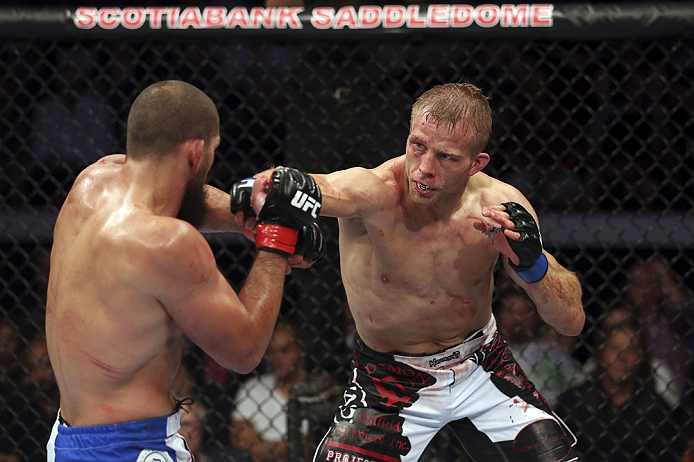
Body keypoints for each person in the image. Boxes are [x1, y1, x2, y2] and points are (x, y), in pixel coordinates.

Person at [250, 82, 585, 461]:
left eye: (447, 157)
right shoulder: (373, 193)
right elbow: (295, 186)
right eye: (418, 146)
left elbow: (570, 321)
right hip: (386, 382)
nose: (425, 169)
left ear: (477, 164)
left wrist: (533, 264)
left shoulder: (498, 207)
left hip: (484, 367)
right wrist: (279, 195)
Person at [44, 80, 323, 461]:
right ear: (196, 152)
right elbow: (244, 351)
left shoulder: (91, 183)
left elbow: (178, 197)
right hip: (131, 447)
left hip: (67, 441)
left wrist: (249, 215)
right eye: (212, 152)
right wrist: (276, 243)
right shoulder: (166, 243)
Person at [554, 320, 683, 461]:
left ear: (641, 357)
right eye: (615, 348)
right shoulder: (573, 402)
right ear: (602, 352)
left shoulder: (658, 413)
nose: (623, 357)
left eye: (632, 350)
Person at [231, 321, 308, 462]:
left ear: (300, 350)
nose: (278, 358)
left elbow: (312, 448)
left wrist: (262, 445)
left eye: (285, 350)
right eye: (272, 352)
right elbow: (240, 440)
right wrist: (294, 444)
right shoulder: (253, 387)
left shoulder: (318, 389)